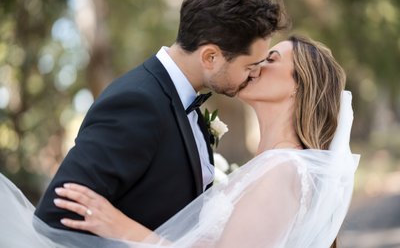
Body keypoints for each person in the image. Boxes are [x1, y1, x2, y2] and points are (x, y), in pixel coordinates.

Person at [50, 36, 359, 247]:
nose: (255, 64)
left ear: (298, 85)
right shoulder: (270, 165)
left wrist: (120, 226)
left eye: (271, 59)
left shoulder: (282, 170)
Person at [34, 0, 287, 237]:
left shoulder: (183, 102)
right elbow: (57, 217)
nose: (253, 75)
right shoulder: (138, 103)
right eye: (249, 66)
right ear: (210, 57)